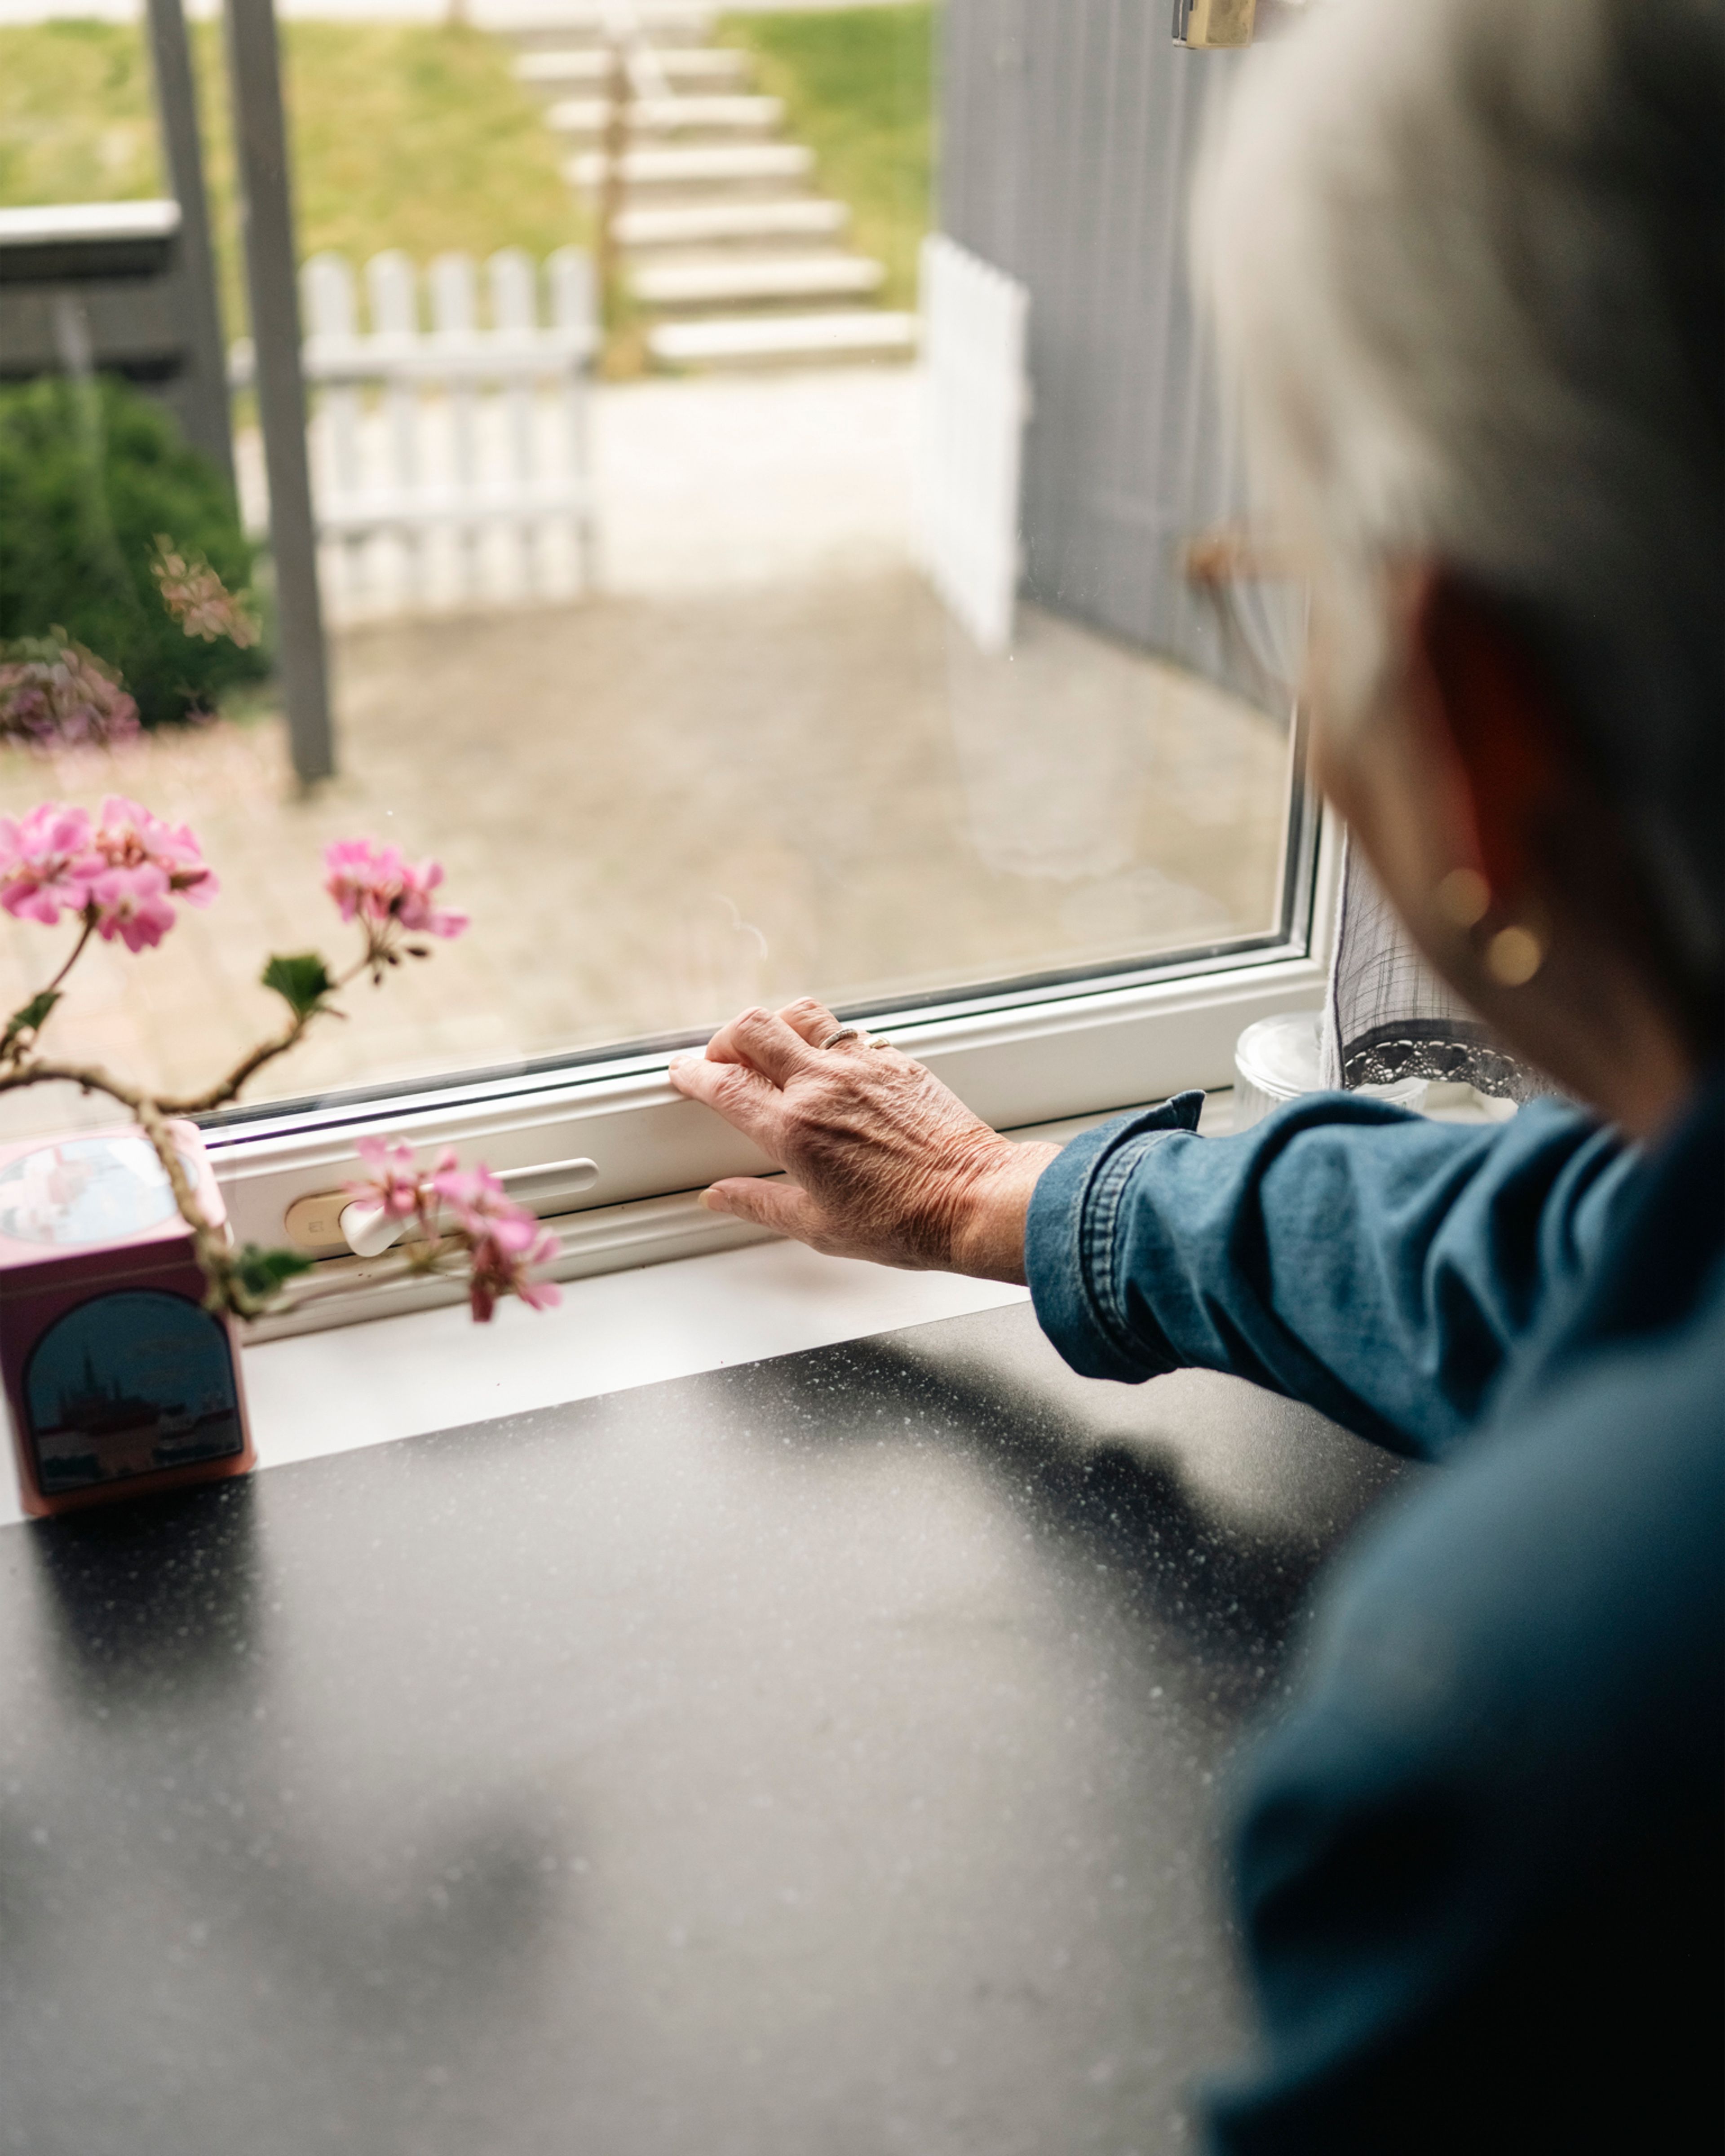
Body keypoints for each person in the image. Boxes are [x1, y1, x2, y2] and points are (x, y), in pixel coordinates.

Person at [669, 0, 1723, 2144]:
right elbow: (1584, 1245)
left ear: (1475, 726)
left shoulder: (1529, 1731)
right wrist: (1016, 1201)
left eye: (1295, 589)